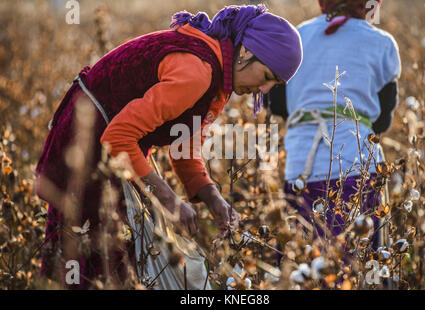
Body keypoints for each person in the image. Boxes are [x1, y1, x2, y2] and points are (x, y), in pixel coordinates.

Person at [35, 4, 302, 288]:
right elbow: (118, 136)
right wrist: (168, 199)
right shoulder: (198, 72)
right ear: (246, 52)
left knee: (113, 262)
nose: (264, 91)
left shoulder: (218, 78)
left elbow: (184, 142)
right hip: (86, 145)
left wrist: (211, 195)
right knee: (95, 264)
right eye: (267, 77)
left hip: (107, 150)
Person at [264, 0, 401, 251]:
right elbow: (382, 120)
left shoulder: (298, 36)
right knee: (357, 266)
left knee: (302, 261)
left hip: (301, 168)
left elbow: (276, 103)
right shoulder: (382, 43)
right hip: (357, 167)